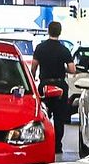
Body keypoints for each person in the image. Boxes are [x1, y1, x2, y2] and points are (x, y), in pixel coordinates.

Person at [30, 21, 76, 154]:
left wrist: (33, 79)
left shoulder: (40, 48)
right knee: (59, 118)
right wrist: (63, 69)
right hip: (60, 86)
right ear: (59, 32)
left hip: (44, 85)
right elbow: (72, 69)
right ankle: (57, 146)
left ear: (48, 31)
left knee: (43, 116)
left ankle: (43, 145)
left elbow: (34, 67)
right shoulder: (64, 50)